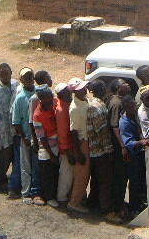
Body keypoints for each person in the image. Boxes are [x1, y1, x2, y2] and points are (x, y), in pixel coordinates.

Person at [86, 79, 120, 223]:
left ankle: (93, 203)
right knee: (105, 181)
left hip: (95, 150)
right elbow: (101, 132)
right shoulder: (96, 107)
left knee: (97, 179)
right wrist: (109, 150)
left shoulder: (97, 104)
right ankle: (107, 210)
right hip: (100, 150)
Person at [0, 63, 20, 197]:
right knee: (5, 158)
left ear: (11, 72)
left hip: (16, 128)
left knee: (16, 158)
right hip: (4, 130)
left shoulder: (16, 85)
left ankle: (13, 184)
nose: (4, 76)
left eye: (6, 73)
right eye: (1, 74)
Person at [119, 94, 149, 216]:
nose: (135, 107)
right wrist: (142, 142)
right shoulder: (124, 123)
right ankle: (133, 207)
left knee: (140, 180)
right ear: (126, 107)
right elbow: (128, 143)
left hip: (139, 155)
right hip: (132, 157)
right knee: (134, 181)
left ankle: (139, 202)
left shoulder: (134, 116)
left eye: (134, 104)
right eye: (132, 106)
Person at [11, 67, 38, 204]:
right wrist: (24, 137)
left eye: (30, 76)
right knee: (25, 166)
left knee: (37, 165)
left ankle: (35, 191)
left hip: (38, 138)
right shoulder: (20, 98)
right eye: (25, 77)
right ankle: (25, 192)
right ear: (21, 80)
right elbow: (16, 122)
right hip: (26, 138)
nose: (28, 79)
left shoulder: (38, 94)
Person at [32, 84, 60, 208]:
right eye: (47, 97)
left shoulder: (54, 102)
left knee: (55, 173)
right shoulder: (37, 115)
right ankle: (49, 197)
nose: (50, 99)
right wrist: (52, 154)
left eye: (51, 96)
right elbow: (42, 138)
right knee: (47, 174)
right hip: (47, 148)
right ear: (41, 99)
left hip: (58, 143)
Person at [107, 78, 131, 215]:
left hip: (121, 145)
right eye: (124, 84)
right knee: (120, 176)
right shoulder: (117, 103)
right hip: (118, 146)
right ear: (117, 88)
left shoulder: (122, 100)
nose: (127, 84)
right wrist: (123, 146)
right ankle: (117, 206)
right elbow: (115, 126)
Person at [67, 77, 90, 214]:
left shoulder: (84, 101)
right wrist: (78, 153)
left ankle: (80, 198)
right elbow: (73, 132)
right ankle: (74, 202)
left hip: (87, 141)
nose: (84, 89)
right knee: (82, 174)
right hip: (81, 142)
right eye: (81, 88)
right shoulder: (75, 108)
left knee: (85, 174)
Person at [54, 82, 74, 205]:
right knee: (66, 174)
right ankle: (62, 197)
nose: (70, 93)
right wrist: (67, 150)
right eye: (67, 91)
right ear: (61, 95)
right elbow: (62, 133)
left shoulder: (66, 104)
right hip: (66, 148)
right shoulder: (61, 110)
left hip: (69, 146)